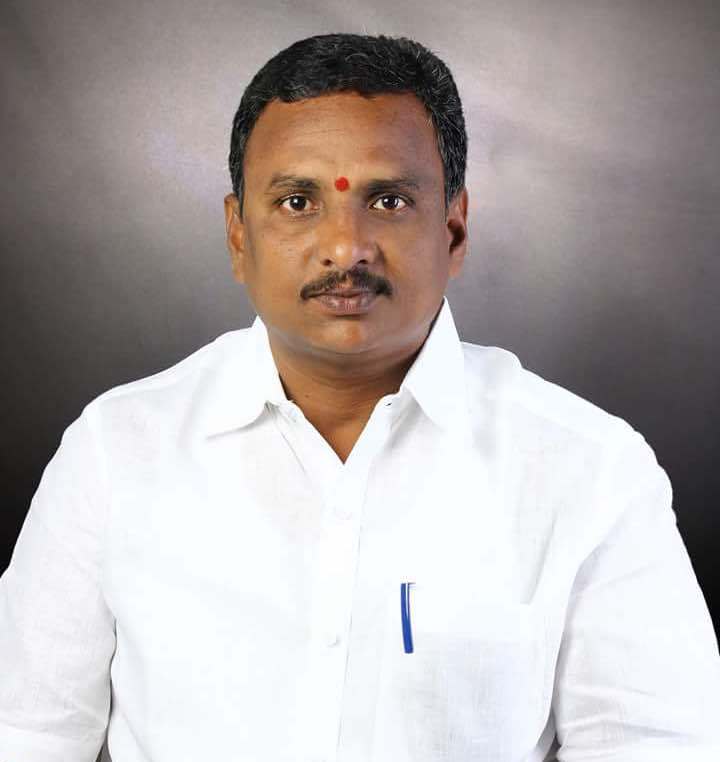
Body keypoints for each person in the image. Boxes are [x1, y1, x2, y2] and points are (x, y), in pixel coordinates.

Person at [1, 32, 719, 762]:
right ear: (238, 236)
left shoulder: (590, 471)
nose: (346, 248)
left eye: (389, 200)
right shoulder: (116, 452)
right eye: (296, 201)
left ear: (455, 228)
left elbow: (657, 747)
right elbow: (24, 736)